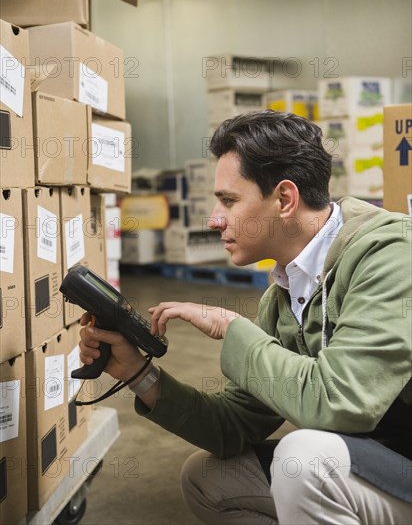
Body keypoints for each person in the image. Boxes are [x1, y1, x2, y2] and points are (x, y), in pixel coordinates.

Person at [79, 111, 412, 524]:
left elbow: (340, 403)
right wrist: (136, 373)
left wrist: (231, 327)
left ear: (285, 199)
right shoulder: (287, 292)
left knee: (304, 461)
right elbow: (231, 426)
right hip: (385, 464)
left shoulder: (392, 254)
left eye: (229, 201)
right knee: (211, 478)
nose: (215, 219)